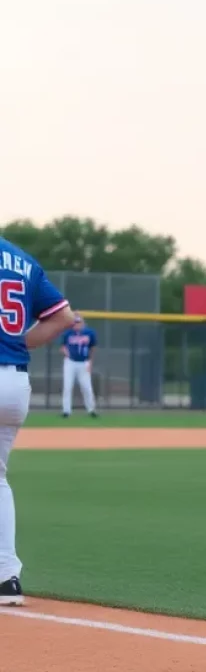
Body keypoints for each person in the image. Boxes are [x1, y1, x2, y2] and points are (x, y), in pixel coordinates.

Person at [0, 235, 75, 606]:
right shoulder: (22, 260)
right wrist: (20, 343)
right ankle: (6, 578)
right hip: (14, 384)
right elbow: (63, 316)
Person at [61, 313, 99, 417]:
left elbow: (92, 348)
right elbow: (63, 346)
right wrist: (66, 352)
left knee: (87, 387)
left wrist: (90, 362)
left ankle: (91, 410)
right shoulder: (68, 333)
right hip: (70, 362)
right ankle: (66, 411)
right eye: (75, 322)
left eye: (78, 322)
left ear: (83, 322)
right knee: (67, 386)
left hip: (84, 362)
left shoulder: (89, 333)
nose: (77, 324)